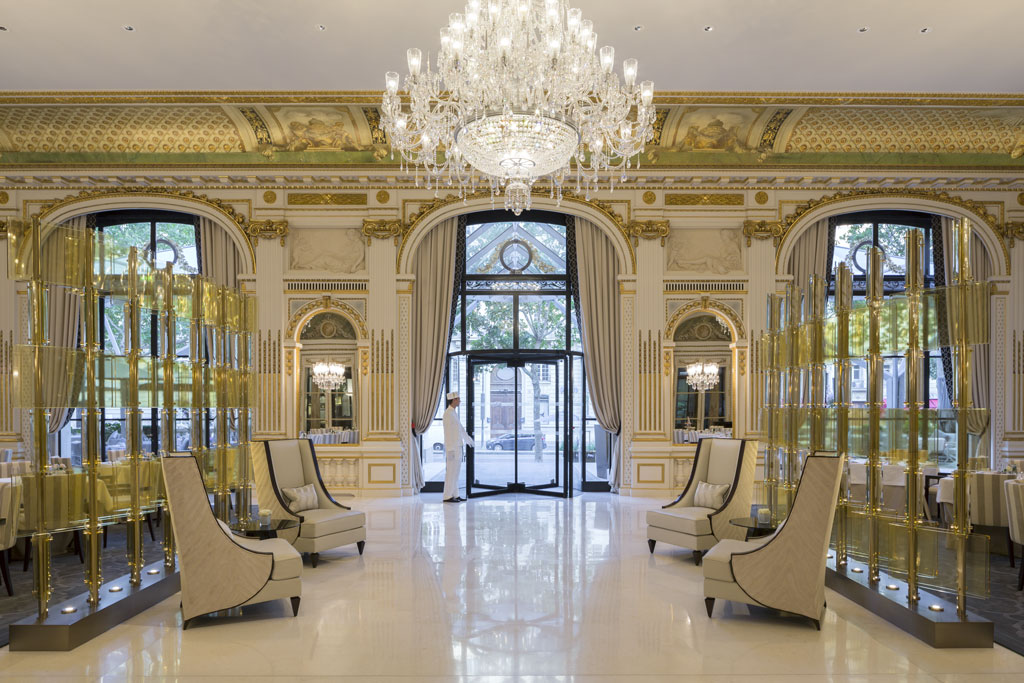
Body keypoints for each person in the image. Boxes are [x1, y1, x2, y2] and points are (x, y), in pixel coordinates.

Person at [442, 391, 473, 503]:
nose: (460, 401)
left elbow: (460, 429)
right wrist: (450, 449)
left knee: (456, 472)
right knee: (451, 472)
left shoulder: (453, 413)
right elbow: (448, 433)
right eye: (458, 399)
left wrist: (468, 440)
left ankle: (455, 494)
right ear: (453, 400)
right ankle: (447, 496)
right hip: (452, 449)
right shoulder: (447, 414)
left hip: (457, 447)